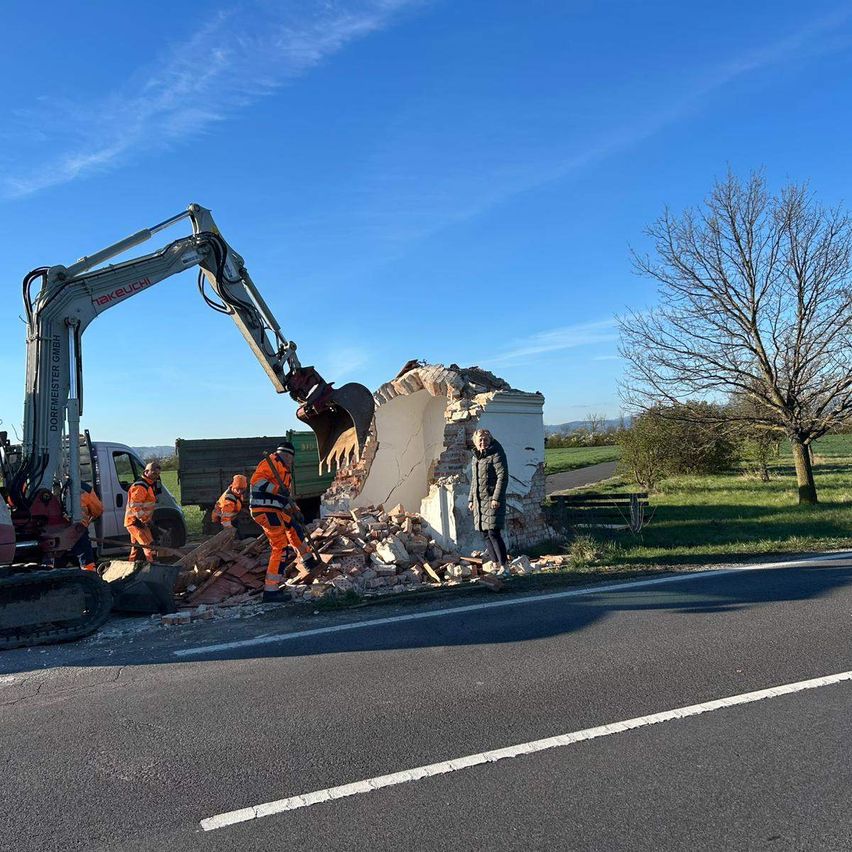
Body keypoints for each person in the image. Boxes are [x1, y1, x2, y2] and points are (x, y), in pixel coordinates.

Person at [250, 442, 317, 603]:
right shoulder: (271, 462)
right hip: (265, 510)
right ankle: (271, 591)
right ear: (287, 455)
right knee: (280, 548)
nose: (292, 462)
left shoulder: (285, 472)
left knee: (295, 530)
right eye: (292, 458)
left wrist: (296, 512)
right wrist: (276, 489)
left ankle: (308, 561)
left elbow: (285, 499)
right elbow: (256, 481)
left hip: (276, 510)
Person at [468, 428, 509, 574]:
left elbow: (502, 476)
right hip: (480, 501)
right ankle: (495, 564)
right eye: (480, 440)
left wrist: (496, 498)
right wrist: (471, 499)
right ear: (475, 442)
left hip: (492, 500)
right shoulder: (476, 457)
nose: (483, 442)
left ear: (490, 440)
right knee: (484, 534)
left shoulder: (496, 454)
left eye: (485, 439)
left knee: (493, 532)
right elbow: (474, 481)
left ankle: (504, 566)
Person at [124, 461, 161, 563]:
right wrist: (145, 520)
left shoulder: (147, 485)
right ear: (146, 472)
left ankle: (129, 570)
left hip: (136, 522)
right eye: (154, 473)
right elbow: (135, 506)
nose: (156, 476)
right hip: (136, 522)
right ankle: (154, 568)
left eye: (157, 474)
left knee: (136, 548)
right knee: (149, 546)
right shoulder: (141, 486)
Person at [66, 481, 104, 572]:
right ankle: (89, 577)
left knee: (54, 559)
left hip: (55, 530)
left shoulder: (48, 486)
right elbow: (98, 509)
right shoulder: (85, 488)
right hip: (78, 528)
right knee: (86, 558)